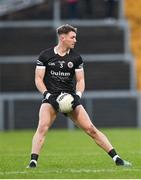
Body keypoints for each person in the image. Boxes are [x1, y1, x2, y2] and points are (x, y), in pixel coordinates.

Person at [27, 24, 132, 168]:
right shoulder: (45, 55)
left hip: (70, 99)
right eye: (72, 37)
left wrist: (77, 96)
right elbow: (38, 79)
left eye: (75, 37)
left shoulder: (76, 58)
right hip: (51, 98)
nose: (75, 40)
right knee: (42, 128)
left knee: (91, 129)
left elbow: (81, 80)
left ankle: (118, 159)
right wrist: (48, 95)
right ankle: (33, 162)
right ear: (62, 38)